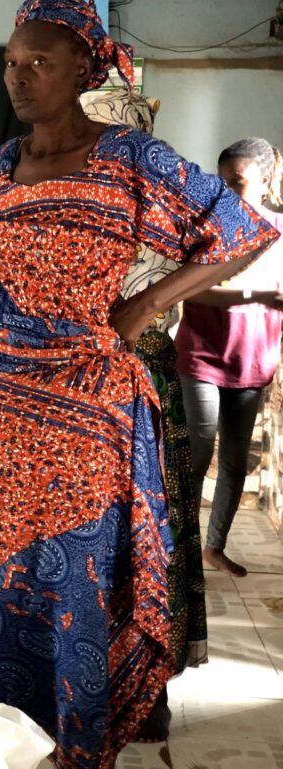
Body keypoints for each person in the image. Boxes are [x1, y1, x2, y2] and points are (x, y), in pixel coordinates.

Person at [0, 3, 280, 768]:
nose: (18, 76)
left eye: (39, 62)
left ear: (84, 69)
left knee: (78, 580)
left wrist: (145, 304)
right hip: (6, 409)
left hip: (90, 405)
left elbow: (242, 230)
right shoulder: (1, 164)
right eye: (11, 62)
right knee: (0, 581)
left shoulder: (130, 156)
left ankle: (77, 739)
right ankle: (3, 736)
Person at [83, 90, 209, 741]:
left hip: (135, 385)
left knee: (145, 531)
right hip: (91, 381)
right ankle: (104, 681)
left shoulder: (155, 206)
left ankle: (144, 685)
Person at [175, 138, 283, 579]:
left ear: (265, 181)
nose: (227, 190)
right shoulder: (203, 227)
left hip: (253, 360)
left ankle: (214, 547)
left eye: (236, 181)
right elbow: (192, 291)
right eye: (221, 181)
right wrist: (256, 294)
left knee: (235, 462)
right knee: (198, 453)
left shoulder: (280, 232)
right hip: (201, 355)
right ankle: (178, 552)